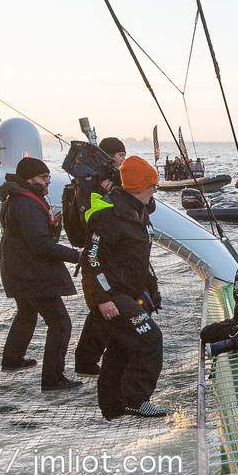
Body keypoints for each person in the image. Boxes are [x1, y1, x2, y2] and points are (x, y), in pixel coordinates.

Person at [85, 156, 166, 419]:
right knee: (149, 338)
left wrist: (151, 290)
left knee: (121, 347)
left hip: (130, 291)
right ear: (138, 187)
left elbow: (140, 259)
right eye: (151, 184)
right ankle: (136, 399)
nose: (155, 189)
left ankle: (112, 406)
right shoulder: (109, 217)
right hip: (113, 294)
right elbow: (90, 260)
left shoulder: (139, 213)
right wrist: (103, 299)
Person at [0, 157, 83, 390]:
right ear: (29, 179)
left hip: (16, 269)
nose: (47, 182)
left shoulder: (14, 198)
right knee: (61, 323)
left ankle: (12, 360)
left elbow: (31, 237)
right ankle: (52, 379)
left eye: (48, 177)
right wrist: (77, 256)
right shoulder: (27, 203)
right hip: (31, 273)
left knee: (26, 312)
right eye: (43, 178)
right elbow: (41, 245)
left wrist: (52, 227)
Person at [64, 140, 122, 377]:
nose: (123, 160)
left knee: (103, 311)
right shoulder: (96, 188)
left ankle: (87, 362)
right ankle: (86, 362)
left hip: (102, 256)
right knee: (103, 310)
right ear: (108, 157)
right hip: (102, 256)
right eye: (120, 155)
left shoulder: (85, 184)